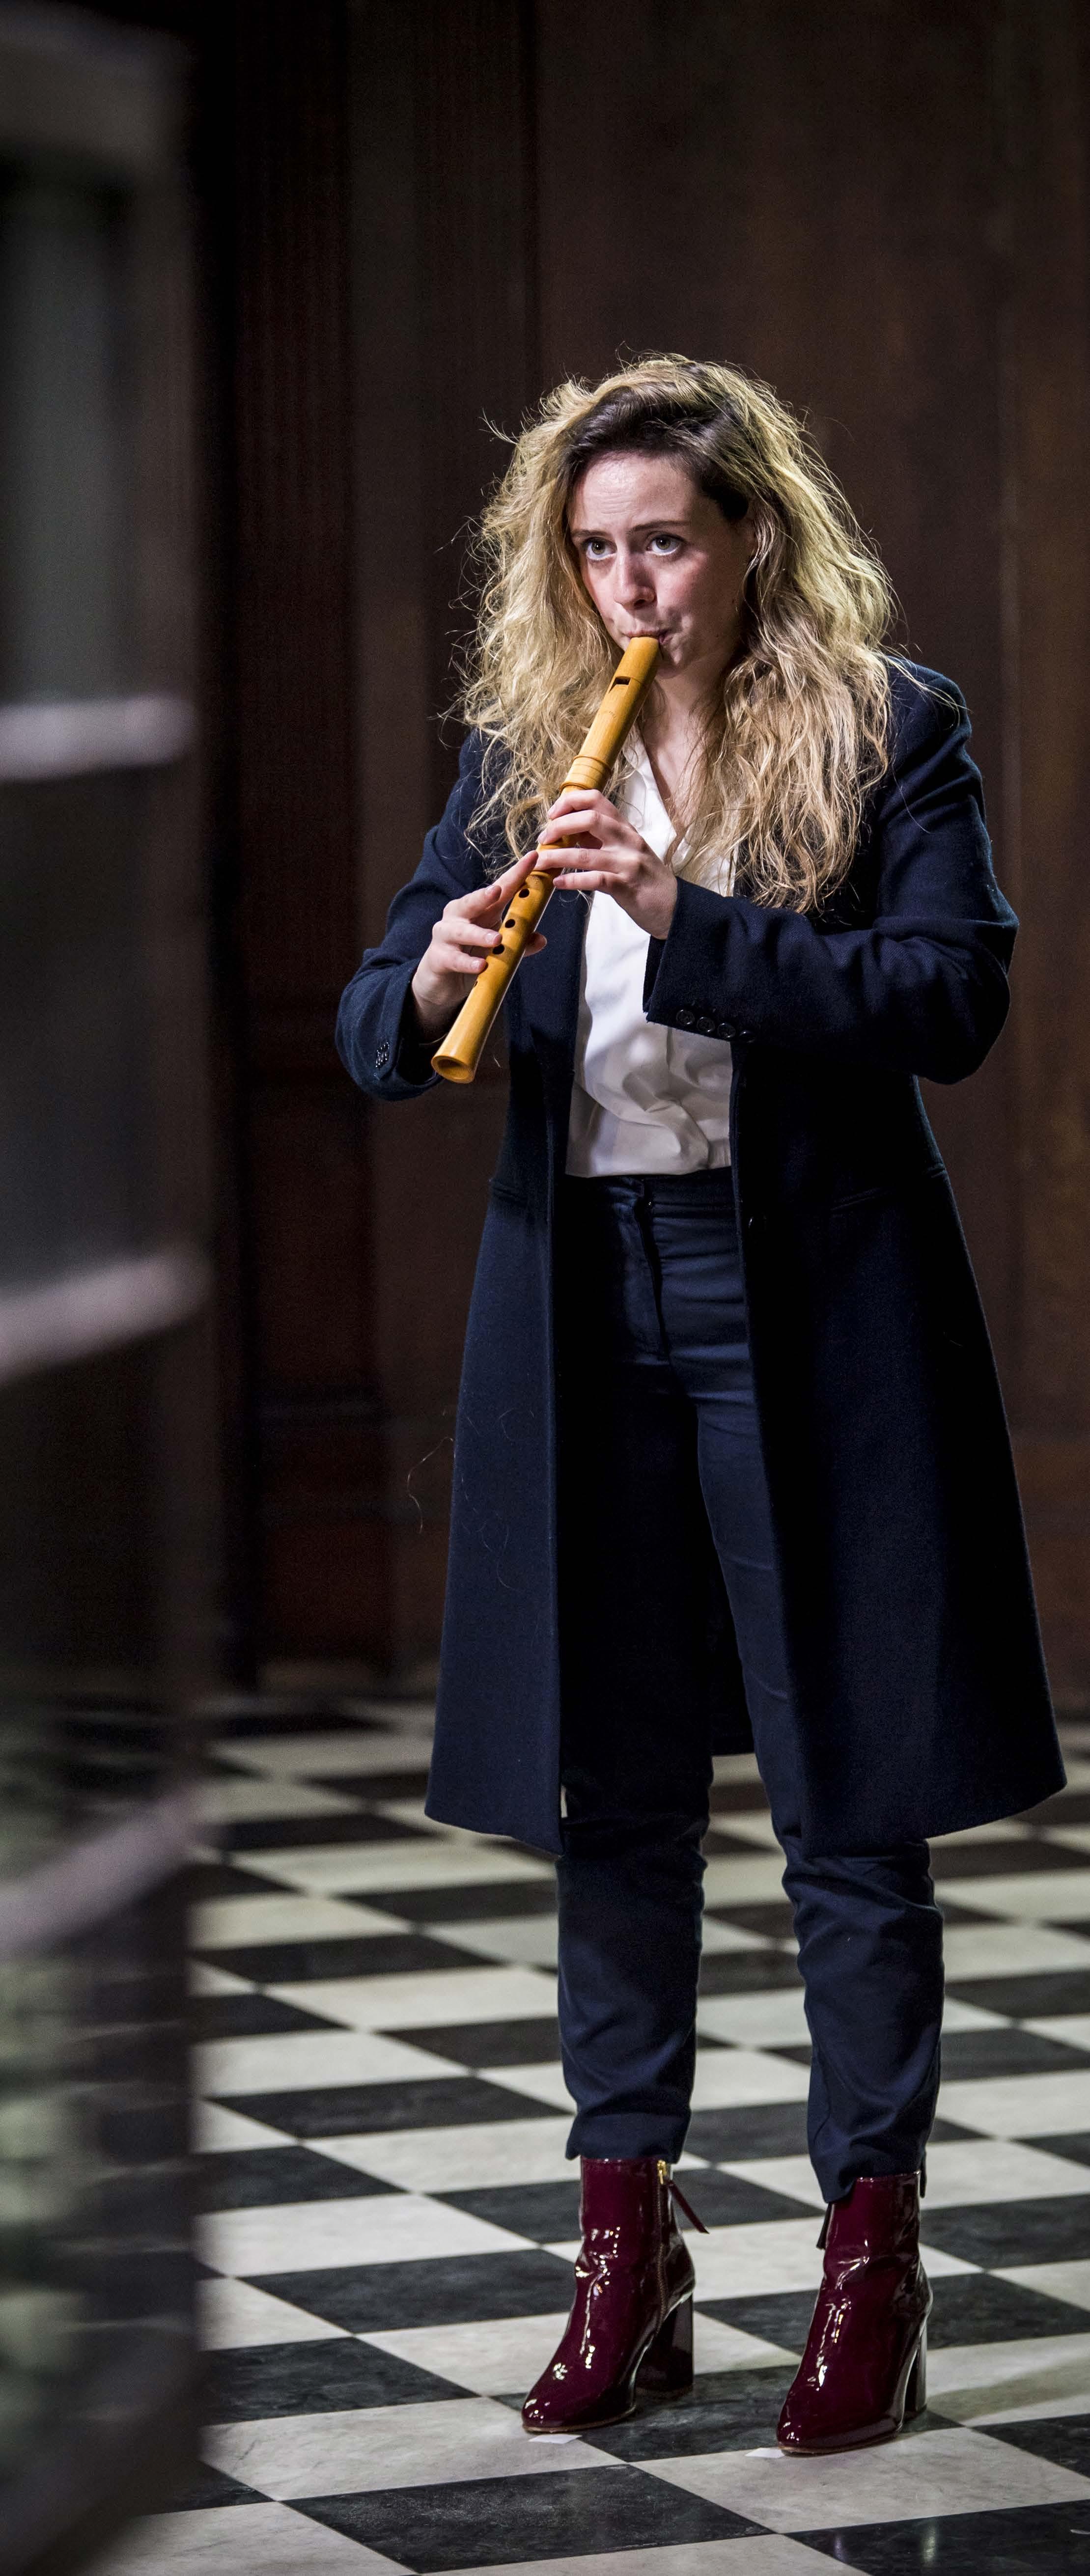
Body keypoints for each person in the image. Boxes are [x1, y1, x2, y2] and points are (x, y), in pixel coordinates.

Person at [336, 357, 1062, 2454]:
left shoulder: (887, 727)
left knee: (847, 1792)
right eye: (595, 549)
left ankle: (870, 2267)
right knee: (615, 1789)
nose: (630, 585)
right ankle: (625, 2255)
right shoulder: (515, 755)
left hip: (806, 1302)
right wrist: (445, 963)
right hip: (582, 1299)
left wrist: (686, 920)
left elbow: (951, 998)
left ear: (752, 536)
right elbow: (377, 1018)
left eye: (664, 539)